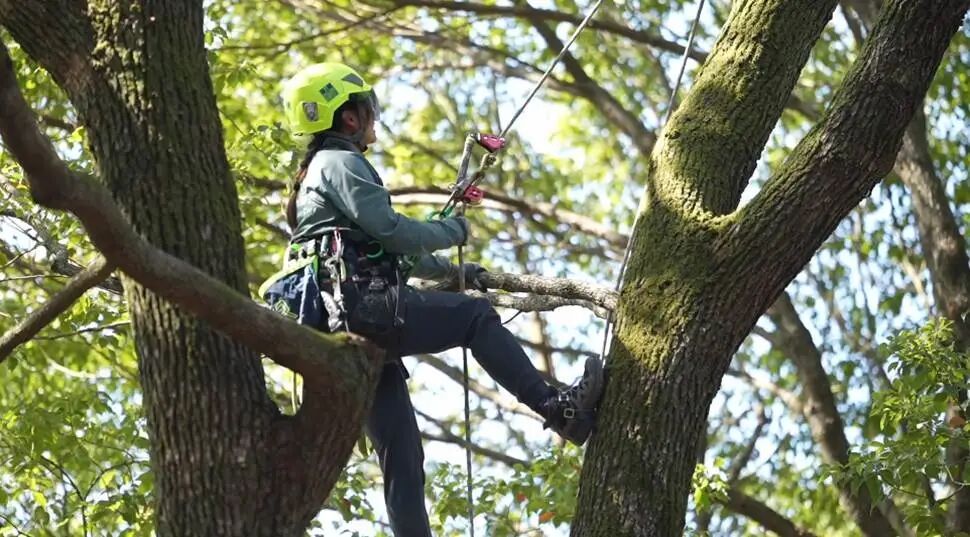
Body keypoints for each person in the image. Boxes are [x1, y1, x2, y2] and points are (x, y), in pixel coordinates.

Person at [264, 62, 604, 536]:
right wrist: (451, 231)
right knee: (474, 318)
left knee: (402, 455)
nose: (373, 116)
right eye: (367, 108)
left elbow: (387, 251)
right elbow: (392, 231)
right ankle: (557, 409)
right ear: (348, 117)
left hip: (343, 326)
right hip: (361, 311)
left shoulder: (320, 172)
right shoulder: (338, 162)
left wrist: (453, 271)